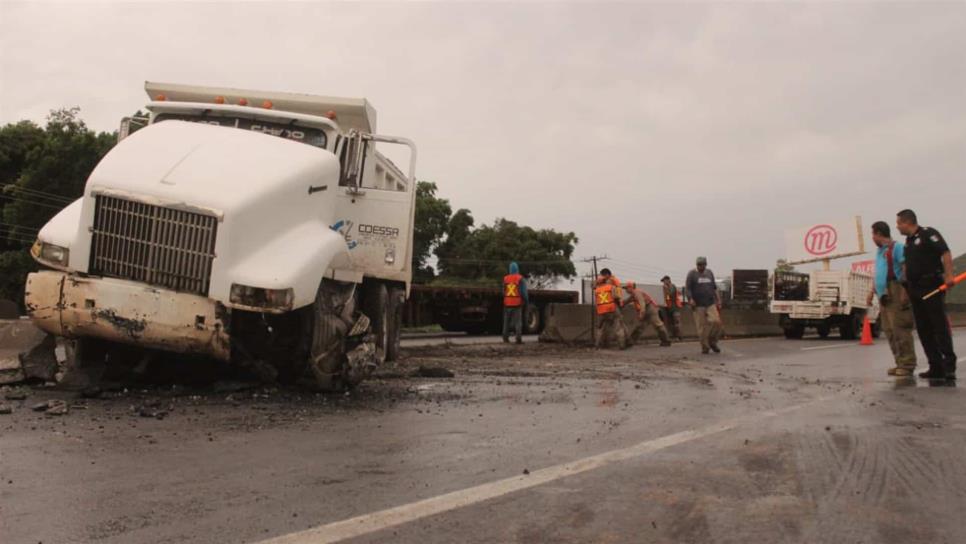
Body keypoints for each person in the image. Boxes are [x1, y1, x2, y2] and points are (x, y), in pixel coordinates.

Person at [896, 209, 958, 380]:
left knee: (939, 327)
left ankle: (948, 366)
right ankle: (935, 366)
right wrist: (905, 291)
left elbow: (945, 252)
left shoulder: (928, 234)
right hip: (915, 289)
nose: (897, 227)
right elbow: (907, 267)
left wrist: (949, 275)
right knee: (924, 329)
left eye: (899, 223)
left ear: (907, 222)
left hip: (931, 286)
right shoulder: (908, 242)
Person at [866, 221, 917, 376]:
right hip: (884, 295)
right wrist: (872, 291)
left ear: (879, 234)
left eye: (873, 234)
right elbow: (879, 272)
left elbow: (905, 267)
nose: (872, 237)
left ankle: (907, 364)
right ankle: (899, 362)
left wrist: (904, 291)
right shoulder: (880, 251)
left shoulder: (897, 247)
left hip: (896, 290)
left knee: (900, 328)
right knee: (889, 330)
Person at [686, 256, 722, 354]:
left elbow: (714, 288)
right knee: (702, 327)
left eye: (702, 265)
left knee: (717, 322)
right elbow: (688, 289)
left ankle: (712, 342)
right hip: (698, 305)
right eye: (698, 265)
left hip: (710, 303)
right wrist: (691, 299)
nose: (700, 266)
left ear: (705, 265)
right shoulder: (692, 274)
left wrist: (718, 300)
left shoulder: (709, 273)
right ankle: (705, 346)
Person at [625, 281, 672, 346]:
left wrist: (642, 313)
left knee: (658, 325)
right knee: (640, 326)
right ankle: (630, 342)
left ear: (631, 288)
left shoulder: (637, 293)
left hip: (651, 308)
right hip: (647, 309)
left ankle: (666, 341)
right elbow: (626, 301)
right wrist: (620, 304)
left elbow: (642, 303)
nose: (626, 290)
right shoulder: (633, 294)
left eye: (626, 288)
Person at [594, 268, 627, 349]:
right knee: (618, 326)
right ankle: (622, 345)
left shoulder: (596, 290)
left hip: (601, 310)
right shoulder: (611, 287)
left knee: (600, 328)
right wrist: (619, 304)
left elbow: (596, 298)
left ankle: (597, 345)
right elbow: (617, 296)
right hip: (611, 308)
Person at [502, 261, 528, 344]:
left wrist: (506, 299)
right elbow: (524, 292)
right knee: (518, 322)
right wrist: (526, 301)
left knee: (506, 322)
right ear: (517, 269)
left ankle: (505, 338)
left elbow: (503, 291)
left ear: (509, 269)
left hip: (507, 303)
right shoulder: (520, 278)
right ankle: (518, 339)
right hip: (517, 303)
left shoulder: (505, 278)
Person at [661, 275, 684, 340]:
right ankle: (675, 336)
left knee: (676, 322)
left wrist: (666, 289)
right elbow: (667, 298)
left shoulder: (672, 286)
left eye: (664, 281)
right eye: (663, 281)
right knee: (672, 323)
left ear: (668, 280)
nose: (664, 283)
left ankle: (679, 336)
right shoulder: (667, 287)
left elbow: (670, 295)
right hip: (670, 307)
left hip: (675, 306)